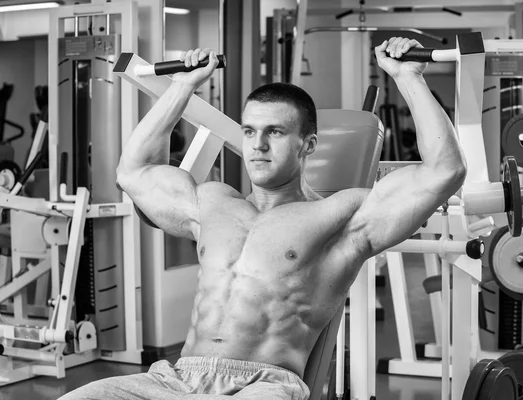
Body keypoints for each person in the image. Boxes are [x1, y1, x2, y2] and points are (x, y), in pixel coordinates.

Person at [60, 37, 466, 400]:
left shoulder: (340, 216)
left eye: (274, 132)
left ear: (308, 145)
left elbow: (444, 172)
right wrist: (183, 85)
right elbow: (133, 172)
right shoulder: (211, 202)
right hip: (174, 380)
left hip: (263, 385)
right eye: (250, 131)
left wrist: (408, 77)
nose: (258, 145)